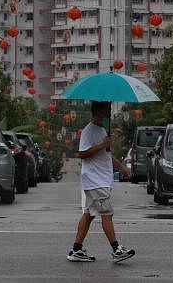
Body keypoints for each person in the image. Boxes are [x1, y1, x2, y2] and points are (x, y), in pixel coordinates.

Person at [67, 101, 135, 263]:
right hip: (95, 180)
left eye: (110, 108)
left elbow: (106, 156)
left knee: (89, 214)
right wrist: (102, 144)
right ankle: (116, 249)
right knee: (107, 213)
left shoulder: (102, 129)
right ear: (97, 110)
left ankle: (76, 249)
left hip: (100, 179)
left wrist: (122, 168)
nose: (110, 112)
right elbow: (82, 153)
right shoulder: (89, 130)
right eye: (107, 108)